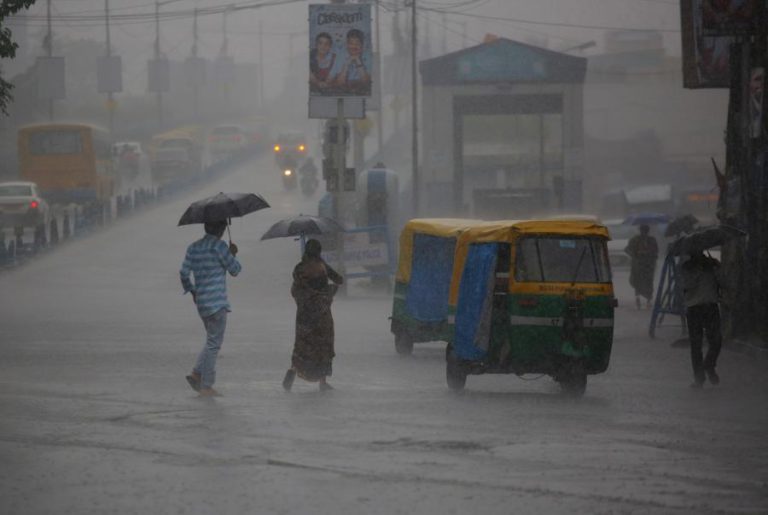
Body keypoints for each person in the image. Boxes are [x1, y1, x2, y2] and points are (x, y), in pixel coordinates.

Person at [180, 220, 241, 397]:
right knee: (214, 344)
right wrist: (233, 254)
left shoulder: (193, 248)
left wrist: (191, 290)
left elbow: (183, 273)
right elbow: (235, 270)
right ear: (221, 229)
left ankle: (196, 373)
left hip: (202, 303)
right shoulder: (219, 247)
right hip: (218, 302)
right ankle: (206, 385)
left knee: (210, 341)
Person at [282, 239, 343, 392]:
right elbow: (339, 280)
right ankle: (323, 381)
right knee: (323, 346)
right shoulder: (322, 267)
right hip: (322, 314)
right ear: (319, 251)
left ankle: (293, 369)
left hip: (304, 314)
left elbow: (295, 290)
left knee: (302, 344)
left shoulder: (299, 268)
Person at [680, 251, 722, 388]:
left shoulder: (711, 265)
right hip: (694, 308)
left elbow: (722, 282)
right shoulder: (686, 267)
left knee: (716, 340)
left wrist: (717, 268)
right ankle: (699, 377)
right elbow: (686, 286)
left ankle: (709, 364)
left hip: (711, 306)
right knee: (696, 345)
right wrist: (698, 272)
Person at [625, 224, 659, 309]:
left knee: (648, 282)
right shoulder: (635, 239)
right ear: (640, 231)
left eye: (646, 231)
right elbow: (627, 250)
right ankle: (639, 299)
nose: (644, 232)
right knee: (638, 282)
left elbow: (656, 251)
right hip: (638, 264)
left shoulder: (652, 240)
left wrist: (650, 254)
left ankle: (648, 300)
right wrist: (636, 254)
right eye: (643, 230)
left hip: (648, 265)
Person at [333, 29, 371, 94]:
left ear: (362, 45)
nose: (354, 46)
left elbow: (366, 82)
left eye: (357, 43)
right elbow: (340, 83)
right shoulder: (340, 56)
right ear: (347, 44)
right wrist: (347, 64)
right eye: (351, 43)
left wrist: (358, 60)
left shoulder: (368, 55)